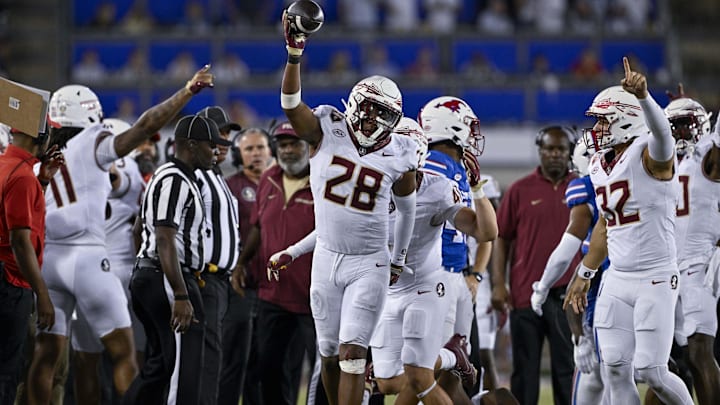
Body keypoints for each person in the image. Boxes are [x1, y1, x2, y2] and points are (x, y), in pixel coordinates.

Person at [27, 66, 214, 405]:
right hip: (89, 260)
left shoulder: (40, 161)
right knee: (124, 354)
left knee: (48, 357)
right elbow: (145, 126)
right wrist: (186, 92)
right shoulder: (94, 140)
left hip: (49, 262)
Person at [280, 10, 418, 404]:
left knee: (354, 354)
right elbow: (291, 104)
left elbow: (406, 209)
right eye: (369, 108)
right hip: (326, 256)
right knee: (327, 353)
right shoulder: (327, 127)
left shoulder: (400, 153)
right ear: (355, 104)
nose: (373, 118)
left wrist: (397, 258)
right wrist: (294, 54)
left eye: (383, 112)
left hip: (368, 262)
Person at [565, 57, 694, 405]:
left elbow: (663, 136)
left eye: (603, 122)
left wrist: (644, 97)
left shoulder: (649, 153)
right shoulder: (597, 164)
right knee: (616, 369)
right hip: (617, 279)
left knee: (651, 371)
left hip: (655, 275)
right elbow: (607, 223)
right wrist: (586, 272)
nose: (596, 130)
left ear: (625, 120)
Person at [368, 117, 497, 405]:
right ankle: (452, 356)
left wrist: (477, 188)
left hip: (426, 287)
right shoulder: (373, 185)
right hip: (389, 288)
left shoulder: (437, 188)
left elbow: (486, 232)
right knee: (388, 382)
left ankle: (451, 355)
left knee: (419, 376)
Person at [123, 114, 232, 405]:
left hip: (157, 275)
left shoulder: (174, 177)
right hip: (170, 279)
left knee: (160, 366)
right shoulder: (175, 178)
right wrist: (180, 292)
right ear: (192, 145)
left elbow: (138, 230)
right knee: (181, 370)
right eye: (211, 145)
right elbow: (163, 238)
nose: (216, 152)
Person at [237, 121, 327, 405]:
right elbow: (258, 226)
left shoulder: (324, 180)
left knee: (322, 371)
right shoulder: (269, 177)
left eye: (294, 144)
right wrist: (241, 262)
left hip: (314, 295)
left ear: (308, 146)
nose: (288, 150)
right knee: (269, 370)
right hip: (272, 294)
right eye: (283, 145)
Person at [490, 125, 578, 405]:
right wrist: (498, 284)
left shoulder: (581, 187)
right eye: (549, 149)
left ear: (570, 152)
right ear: (540, 151)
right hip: (525, 292)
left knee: (567, 370)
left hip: (567, 294)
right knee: (524, 373)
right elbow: (501, 238)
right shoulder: (519, 190)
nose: (555, 154)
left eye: (561, 149)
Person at [529, 137, 608, 405]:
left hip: (608, 283)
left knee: (606, 374)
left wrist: (542, 286)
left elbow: (566, 251)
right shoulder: (637, 177)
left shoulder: (586, 187)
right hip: (658, 278)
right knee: (625, 373)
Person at [0, 124, 63, 404]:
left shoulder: (7, 165)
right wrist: (43, 293)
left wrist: (44, 181)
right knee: (6, 374)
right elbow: (20, 242)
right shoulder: (22, 176)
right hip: (10, 284)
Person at [666, 97, 720, 405]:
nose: (681, 134)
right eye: (675, 127)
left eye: (686, 125)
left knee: (701, 349)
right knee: (666, 361)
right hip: (667, 268)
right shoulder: (661, 158)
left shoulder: (709, 157)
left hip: (701, 266)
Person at [220, 126, 273, 405]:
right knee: (233, 362)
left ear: (270, 150)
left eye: (260, 147)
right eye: (249, 149)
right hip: (240, 287)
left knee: (263, 366)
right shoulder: (230, 186)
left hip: (274, 290)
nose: (255, 154)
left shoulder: (282, 183)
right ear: (239, 154)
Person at [195, 106, 241, 405]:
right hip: (202, 280)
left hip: (219, 281)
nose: (224, 139)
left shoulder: (216, 175)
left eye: (226, 133)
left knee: (213, 360)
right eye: (218, 132)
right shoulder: (194, 174)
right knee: (202, 363)